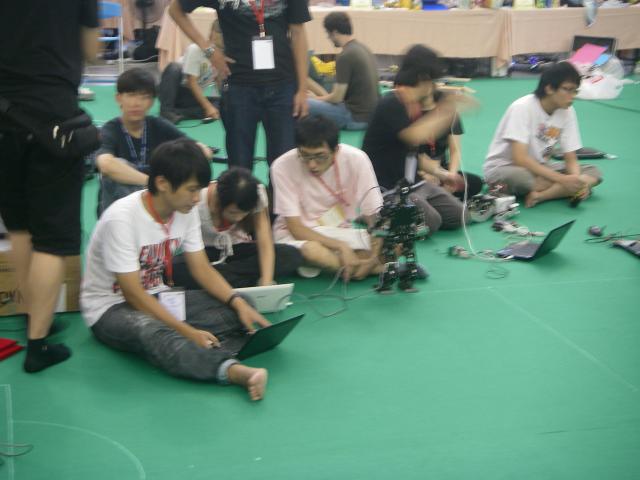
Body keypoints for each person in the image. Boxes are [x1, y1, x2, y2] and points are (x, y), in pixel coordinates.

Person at [81, 139, 271, 401]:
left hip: (158, 295)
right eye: (191, 190)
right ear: (162, 183)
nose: (197, 199)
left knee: (243, 305)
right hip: (110, 308)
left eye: (199, 190)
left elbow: (201, 268)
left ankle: (200, 346)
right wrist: (186, 331)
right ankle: (232, 371)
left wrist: (236, 301)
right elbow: (133, 295)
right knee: (154, 332)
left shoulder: (185, 210)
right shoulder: (121, 219)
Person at [0, 0, 99, 373]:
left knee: (20, 228)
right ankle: (37, 344)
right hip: (53, 118)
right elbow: (92, 49)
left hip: (4, 115)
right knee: (53, 240)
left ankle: (34, 314)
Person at [169, 0, 311, 170]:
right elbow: (175, 9)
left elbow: (298, 33)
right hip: (238, 85)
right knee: (239, 164)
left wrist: (302, 89)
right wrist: (209, 50)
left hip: (283, 85)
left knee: (284, 164)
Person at [362, 45, 475, 235]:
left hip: (414, 183)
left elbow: (415, 154)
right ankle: (375, 214)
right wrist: (449, 110)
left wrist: (444, 174)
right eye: (433, 80)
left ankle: (402, 214)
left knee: (461, 216)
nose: (435, 86)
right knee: (432, 222)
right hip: (387, 188)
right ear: (423, 78)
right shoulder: (392, 103)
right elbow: (415, 135)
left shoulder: (413, 106)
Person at [271, 115, 384, 280]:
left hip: (338, 231)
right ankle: (367, 267)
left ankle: (348, 265)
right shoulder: (281, 166)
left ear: (336, 150)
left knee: (394, 244)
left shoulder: (357, 159)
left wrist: (373, 255)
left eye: (320, 156)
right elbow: (295, 228)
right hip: (298, 236)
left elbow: (373, 216)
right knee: (311, 251)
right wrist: (341, 246)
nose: (312, 164)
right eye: (305, 155)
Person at [483, 62, 602, 207]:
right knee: (523, 179)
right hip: (505, 168)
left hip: (541, 167)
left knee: (593, 171)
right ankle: (560, 190)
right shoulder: (522, 107)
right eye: (567, 90)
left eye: (575, 91)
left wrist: (575, 181)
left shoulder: (568, 111)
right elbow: (520, 159)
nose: (572, 96)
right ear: (549, 88)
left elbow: (570, 158)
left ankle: (542, 195)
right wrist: (563, 180)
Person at [96, 68, 213, 215]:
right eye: (131, 95)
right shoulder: (110, 129)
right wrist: (151, 182)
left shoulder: (158, 124)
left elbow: (204, 151)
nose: (136, 103)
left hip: (154, 198)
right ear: (119, 98)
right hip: (120, 205)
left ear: (152, 101)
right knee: (118, 168)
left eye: (144, 97)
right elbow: (105, 164)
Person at [172, 167, 303, 289]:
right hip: (203, 252)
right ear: (219, 202)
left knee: (291, 255)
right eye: (233, 212)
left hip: (237, 249)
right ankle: (238, 280)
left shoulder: (257, 195)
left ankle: (218, 281)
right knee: (174, 270)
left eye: (244, 213)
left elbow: (265, 242)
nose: (239, 218)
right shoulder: (197, 201)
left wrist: (266, 281)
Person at [306, 12, 379, 130]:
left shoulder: (345, 56)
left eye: (328, 34)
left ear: (334, 33)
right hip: (371, 116)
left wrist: (315, 99)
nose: (328, 38)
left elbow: (337, 98)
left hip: (354, 118)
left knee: (304, 103)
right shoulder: (363, 48)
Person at [416, 89, 483, 200]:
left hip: (441, 170)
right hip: (417, 171)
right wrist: (424, 174)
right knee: (423, 185)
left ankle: (439, 195)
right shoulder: (411, 115)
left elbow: (455, 151)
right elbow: (409, 155)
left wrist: (451, 176)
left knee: (474, 183)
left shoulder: (450, 114)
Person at [158, 20, 222, 124]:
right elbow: (191, 82)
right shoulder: (196, 49)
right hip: (175, 90)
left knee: (223, 104)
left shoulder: (222, 55)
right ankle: (166, 111)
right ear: (211, 34)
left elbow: (218, 80)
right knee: (174, 68)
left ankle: (178, 113)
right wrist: (208, 107)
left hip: (191, 97)